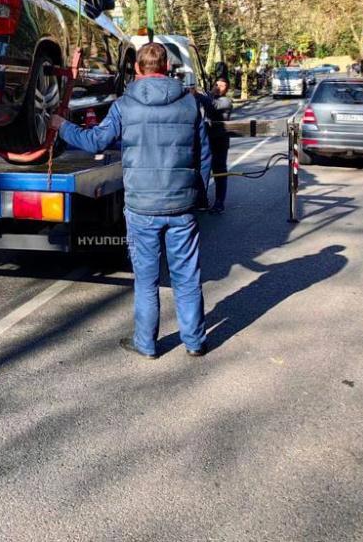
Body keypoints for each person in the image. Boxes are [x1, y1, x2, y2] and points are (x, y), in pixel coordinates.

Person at [51, 42, 212, 359]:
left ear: (138, 69)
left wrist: (62, 126)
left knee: (147, 281)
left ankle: (147, 344)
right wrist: (199, 197)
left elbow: (96, 139)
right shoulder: (190, 105)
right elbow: (203, 156)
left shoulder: (125, 105)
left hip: (141, 207)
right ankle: (195, 342)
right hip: (182, 208)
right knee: (187, 278)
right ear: (167, 67)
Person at [201, 78, 233, 214]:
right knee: (203, 170)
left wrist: (196, 93)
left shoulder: (226, 101)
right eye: (216, 84)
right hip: (206, 141)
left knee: (220, 172)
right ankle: (202, 200)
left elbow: (211, 105)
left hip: (219, 141)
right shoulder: (207, 97)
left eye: (222, 85)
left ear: (227, 89)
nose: (218, 87)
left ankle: (219, 202)